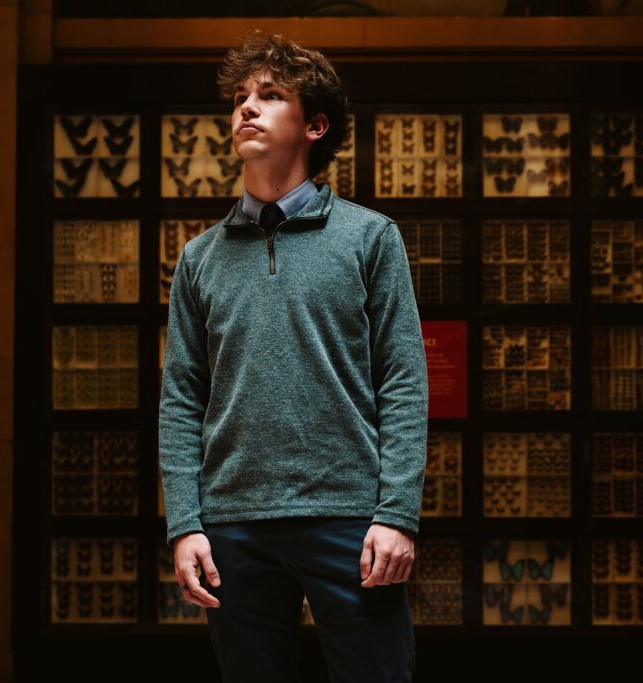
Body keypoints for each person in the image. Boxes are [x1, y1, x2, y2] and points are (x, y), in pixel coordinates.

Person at [158, 30, 429, 683]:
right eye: (240, 97)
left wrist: (396, 512)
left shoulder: (369, 237)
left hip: (347, 514)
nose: (245, 108)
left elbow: (403, 381)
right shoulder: (200, 258)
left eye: (270, 96)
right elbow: (181, 399)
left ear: (314, 125)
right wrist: (185, 523)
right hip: (234, 523)